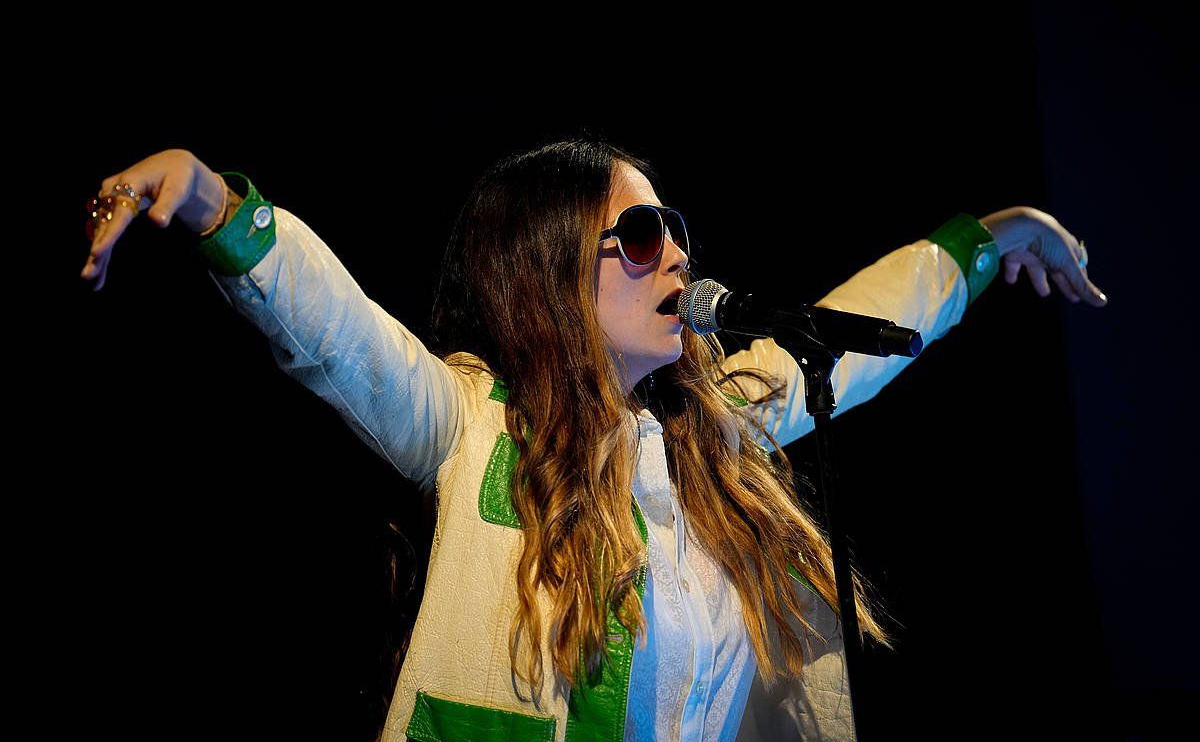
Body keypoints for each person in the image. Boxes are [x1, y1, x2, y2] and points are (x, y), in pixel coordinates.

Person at [79, 140, 1107, 742]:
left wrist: (994, 237)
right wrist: (216, 202)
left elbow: (862, 322)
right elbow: (338, 332)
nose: (680, 255)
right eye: (644, 234)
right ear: (547, 270)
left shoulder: (720, 427)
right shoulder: (468, 425)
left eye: (679, 230)